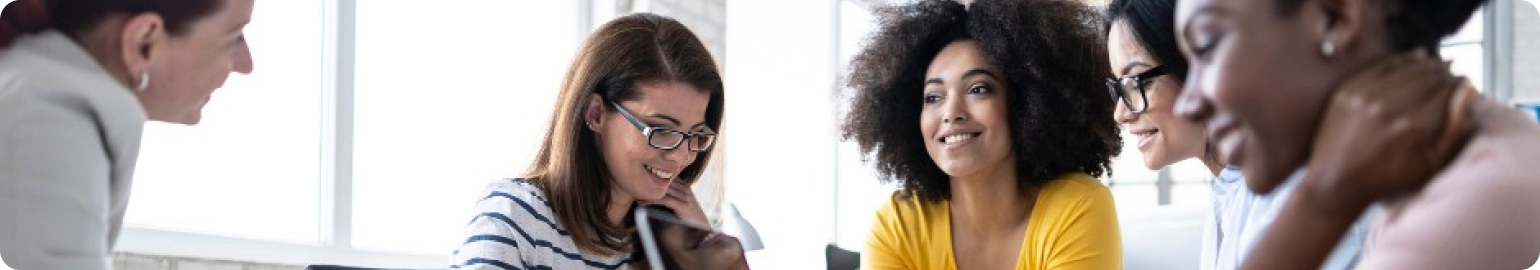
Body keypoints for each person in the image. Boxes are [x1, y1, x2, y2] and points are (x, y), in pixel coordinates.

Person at [1170, 0, 1540, 268]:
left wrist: (1324, 197)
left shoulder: (1478, 190)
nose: (1187, 104)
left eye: (1206, 45)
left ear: (1335, 18)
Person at [449, 13, 746, 270]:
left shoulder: (663, 243)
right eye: (661, 130)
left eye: (695, 135)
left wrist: (701, 245)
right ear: (596, 114)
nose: (682, 156)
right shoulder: (518, 214)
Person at [844, 0, 1123, 269]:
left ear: (1025, 104)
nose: (951, 112)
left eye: (978, 89)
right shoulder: (899, 224)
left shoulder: (1077, 207)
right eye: (933, 97)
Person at [1102, 0, 1369, 268]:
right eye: (1119, 87)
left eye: (1138, 82)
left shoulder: (1305, 195)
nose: (1120, 113)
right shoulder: (1229, 193)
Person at [0, 0, 254, 269]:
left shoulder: (48, 86)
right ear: (144, 42)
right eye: (232, 38)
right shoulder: (53, 109)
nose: (245, 64)